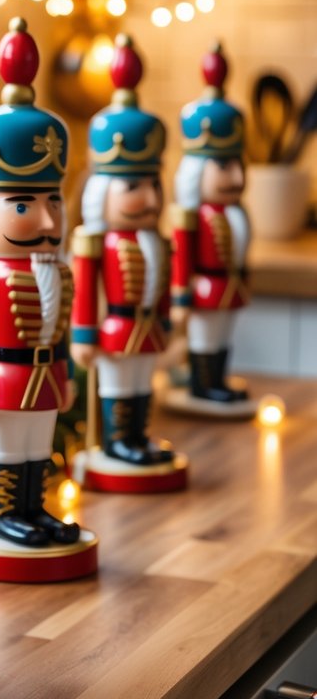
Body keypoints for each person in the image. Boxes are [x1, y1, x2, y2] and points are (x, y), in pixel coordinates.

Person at [0, 17, 79, 548]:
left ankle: (33, 508)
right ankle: (4, 513)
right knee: (6, 448)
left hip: (47, 374)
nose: (47, 220)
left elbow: (60, 325)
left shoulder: (57, 269)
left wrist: (65, 370)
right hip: (3, 376)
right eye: (24, 206)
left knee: (37, 448)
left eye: (53, 203)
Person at [70, 34, 175, 467]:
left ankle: (138, 436)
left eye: (153, 185)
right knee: (118, 385)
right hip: (115, 329)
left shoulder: (156, 240)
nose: (149, 198)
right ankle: (117, 442)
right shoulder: (99, 242)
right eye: (134, 187)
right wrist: (83, 334)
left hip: (147, 328)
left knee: (142, 384)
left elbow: (162, 283)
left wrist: (165, 318)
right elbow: (85, 290)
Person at [171, 43, 251, 406]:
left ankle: (217, 379)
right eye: (224, 167)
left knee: (223, 336)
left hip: (229, 286)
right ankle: (202, 384)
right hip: (204, 288)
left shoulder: (236, 212)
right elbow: (182, 256)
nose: (236, 177)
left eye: (238, 166)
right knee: (204, 337)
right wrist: (181, 296)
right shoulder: (194, 216)